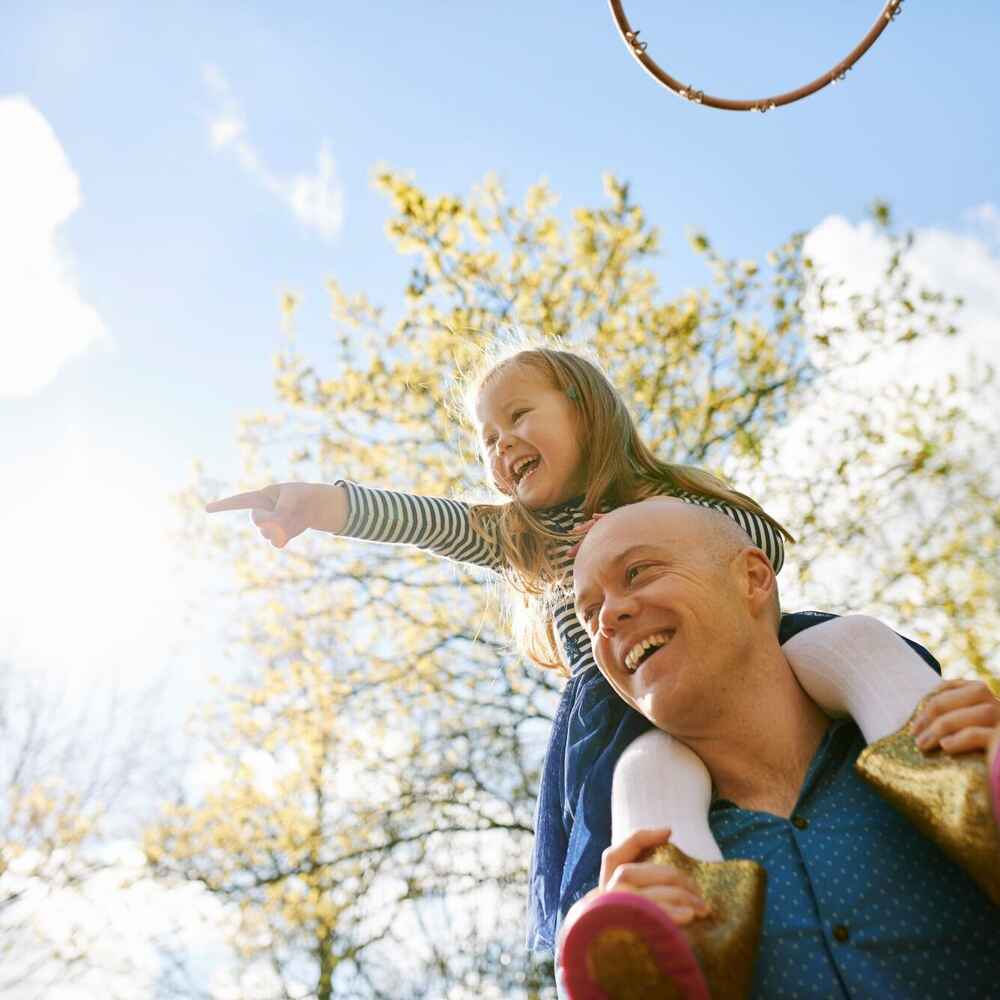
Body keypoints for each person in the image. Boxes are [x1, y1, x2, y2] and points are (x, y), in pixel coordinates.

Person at [204, 340, 956, 954]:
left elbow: (759, 545)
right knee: (642, 778)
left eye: (517, 417)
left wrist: (650, 532)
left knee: (856, 644)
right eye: (487, 441)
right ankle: (663, 927)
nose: (500, 447)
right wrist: (316, 504)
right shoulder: (518, 537)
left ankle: (957, 771)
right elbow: (418, 518)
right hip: (626, 701)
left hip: (747, 649)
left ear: (587, 413)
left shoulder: (671, 493)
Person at [562, 497, 1000, 998]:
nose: (607, 620)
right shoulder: (654, 881)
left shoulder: (955, 747)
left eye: (638, 572)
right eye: (589, 613)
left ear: (752, 578)